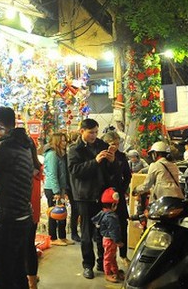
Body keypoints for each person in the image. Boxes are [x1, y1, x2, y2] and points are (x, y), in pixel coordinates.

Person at [0, 106, 34, 289]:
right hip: (22, 213)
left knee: (2, 275)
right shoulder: (23, 143)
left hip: (7, 216)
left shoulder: (4, 147)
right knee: (16, 271)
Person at [68, 118, 113, 280]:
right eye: (91, 132)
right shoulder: (75, 150)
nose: (94, 135)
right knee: (87, 233)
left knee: (104, 230)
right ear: (82, 131)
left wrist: (112, 161)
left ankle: (103, 262)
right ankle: (88, 265)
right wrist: (95, 161)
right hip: (84, 196)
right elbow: (75, 171)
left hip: (102, 195)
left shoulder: (102, 145)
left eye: (96, 132)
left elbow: (111, 170)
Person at [101, 131, 131, 267]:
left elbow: (128, 176)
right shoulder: (101, 156)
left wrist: (122, 190)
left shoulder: (121, 156)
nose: (116, 146)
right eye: (113, 144)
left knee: (122, 225)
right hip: (104, 196)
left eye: (118, 144)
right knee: (105, 227)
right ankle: (105, 260)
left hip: (118, 195)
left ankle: (123, 255)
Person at [43, 132, 74, 246]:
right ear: (56, 141)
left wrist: (63, 190)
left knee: (62, 212)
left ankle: (62, 236)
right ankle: (53, 237)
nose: (65, 143)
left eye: (65, 140)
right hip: (52, 189)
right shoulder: (52, 154)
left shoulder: (61, 154)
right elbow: (52, 174)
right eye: (62, 140)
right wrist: (56, 191)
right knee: (53, 213)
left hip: (60, 188)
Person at [92, 187, 124, 283]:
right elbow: (114, 231)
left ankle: (115, 271)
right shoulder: (112, 217)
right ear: (114, 204)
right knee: (109, 257)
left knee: (112, 257)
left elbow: (94, 220)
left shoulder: (102, 213)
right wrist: (118, 241)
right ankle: (108, 274)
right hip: (111, 241)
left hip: (106, 239)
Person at [26, 141, 43, 289]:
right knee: (29, 246)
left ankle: (31, 281)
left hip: (24, 212)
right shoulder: (36, 167)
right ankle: (32, 280)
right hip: (33, 212)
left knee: (24, 247)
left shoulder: (25, 169)